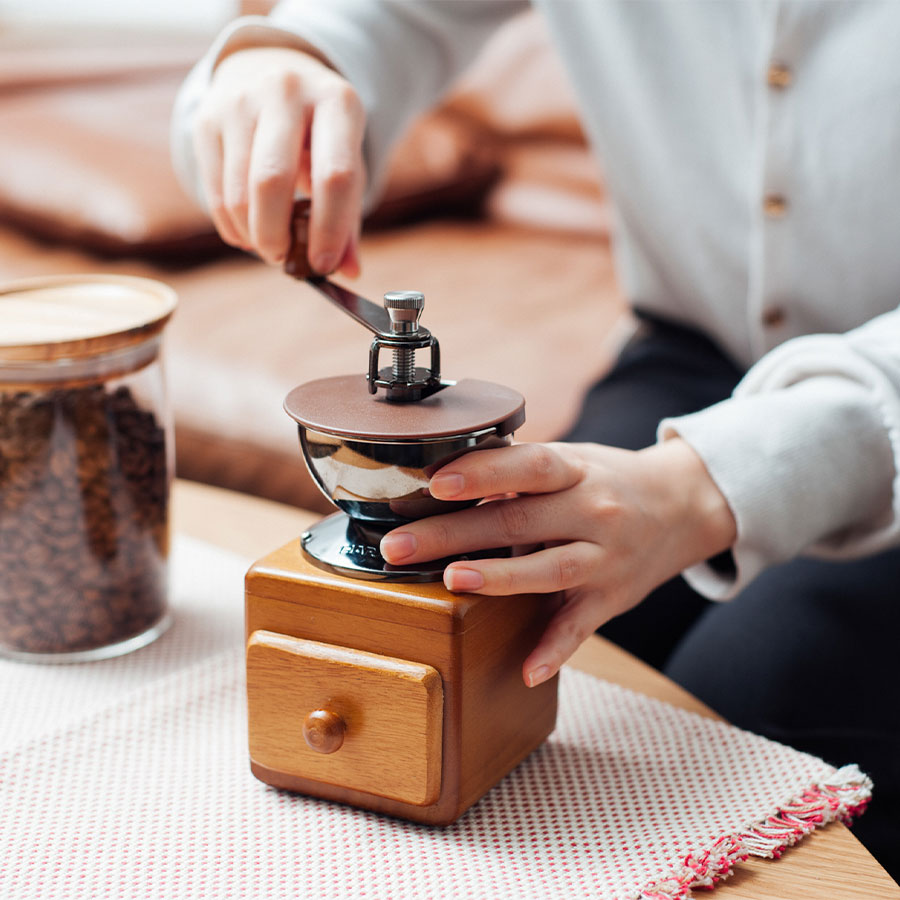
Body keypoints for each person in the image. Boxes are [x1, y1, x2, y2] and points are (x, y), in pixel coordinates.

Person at [172, 1, 900, 876]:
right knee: (523, 656)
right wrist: (281, 59)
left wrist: (710, 484)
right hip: (695, 354)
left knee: (742, 716)